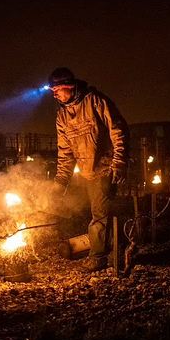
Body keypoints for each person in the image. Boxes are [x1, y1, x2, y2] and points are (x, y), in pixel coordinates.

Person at [48, 67, 129, 272]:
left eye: (57, 90)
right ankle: (116, 249)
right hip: (85, 172)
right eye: (52, 91)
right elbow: (65, 153)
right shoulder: (62, 116)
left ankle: (98, 257)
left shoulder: (95, 101)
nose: (54, 95)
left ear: (69, 86)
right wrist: (60, 183)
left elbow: (118, 131)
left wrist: (119, 163)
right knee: (98, 213)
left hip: (105, 168)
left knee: (99, 214)